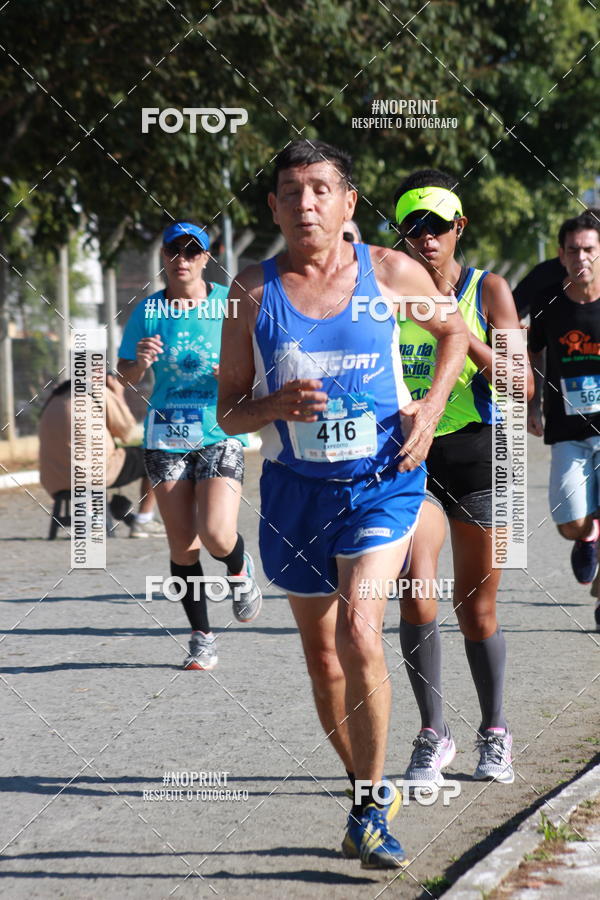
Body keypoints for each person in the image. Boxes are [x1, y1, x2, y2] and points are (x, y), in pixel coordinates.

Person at [217, 140, 468, 868]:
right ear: (273, 206)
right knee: (324, 661)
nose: (306, 204)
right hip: (297, 495)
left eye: (321, 189)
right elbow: (229, 412)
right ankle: (366, 790)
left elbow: (453, 332)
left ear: (348, 202)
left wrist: (429, 411)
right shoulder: (251, 294)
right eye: (291, 191)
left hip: (382, 484)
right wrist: (273, 403)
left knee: (362, 631)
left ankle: (367, 810)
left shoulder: (390, 272)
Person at [393, 169, 533, 791]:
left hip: (481, 451)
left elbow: (521, 385)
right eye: (413, 227)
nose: (426, 239)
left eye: (438, 226)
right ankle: (432, 732)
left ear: (459, 229)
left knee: (477, 609)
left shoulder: (490, 288)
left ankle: (495, 731)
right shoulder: (383, 292)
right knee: (415, 593)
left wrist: (457, 330)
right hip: (410, 456)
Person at [117, 221, 262, 671]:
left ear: (206, 257)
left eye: (191, 251)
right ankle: (201, 636)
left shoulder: (227, 303)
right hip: (164, 436)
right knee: (183, 546)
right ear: (163, 256)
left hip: (219, 430)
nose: (182, 259)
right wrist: (138, 362)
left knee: (218, 532)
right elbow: (123, 379)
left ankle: (239, 572)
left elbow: (259, 368)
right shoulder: (149, 310)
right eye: (173, 251)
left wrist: (232, 377)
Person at [528, 210, 600, 631]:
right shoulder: (548, 302)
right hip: (567, 430)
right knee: (569, 523)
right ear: (561, 254)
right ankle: (588, 534)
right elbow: (534, 351)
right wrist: (534, 406)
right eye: (573, 250)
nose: (581, 257)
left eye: (589, 249)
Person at [38, 374, 163, 537]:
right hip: (91, 475)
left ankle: (100, 512)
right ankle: (143, 521)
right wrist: (118, 393)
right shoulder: (97, 391)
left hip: (53, 479)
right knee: (157, 455)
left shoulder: (55, 396)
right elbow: (127, 432)